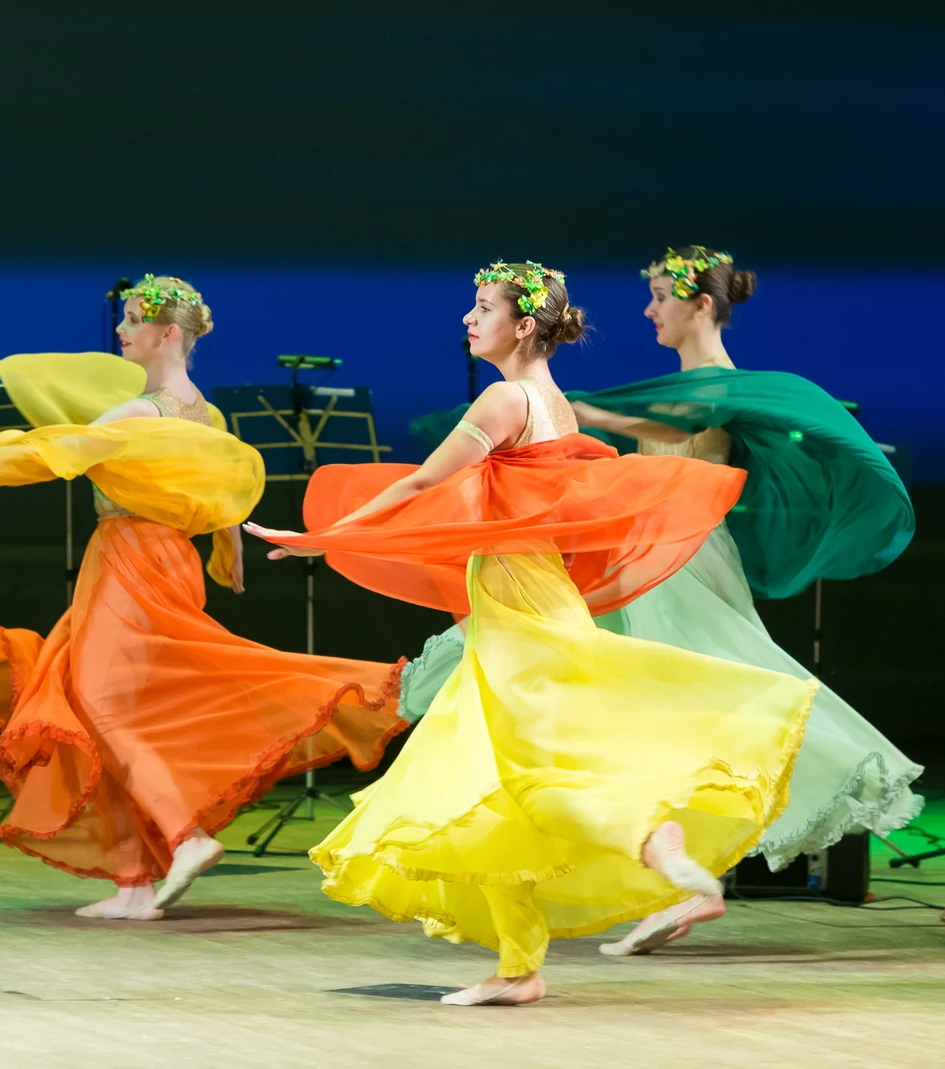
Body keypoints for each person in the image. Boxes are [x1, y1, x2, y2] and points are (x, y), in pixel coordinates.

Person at [246, 261, 816, 1006]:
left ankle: (652, 842)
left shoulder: (505, 397)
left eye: (482, 307)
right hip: (530, 595)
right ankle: (518, 967)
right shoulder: (553, 404)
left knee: (524, 773)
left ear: (521, 326)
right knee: (494, 782)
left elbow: (421, 482)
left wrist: (323, 537)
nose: (467, 318)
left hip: (517, 603)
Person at [0, 275, 406, 920]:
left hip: (127, 558)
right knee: (104, 707)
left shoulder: (139, 414)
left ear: (168, 334)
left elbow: (43, 453)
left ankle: (185, 836)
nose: (121, 330)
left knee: (104, 709)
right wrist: (226, 555)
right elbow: (218, 494)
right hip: (169, 560)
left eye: (133, 320)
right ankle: (133, 883)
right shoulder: (204, 414)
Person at [565, 246, 921, 954]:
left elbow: (677, 434)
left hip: (683, 561)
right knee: (662, 715)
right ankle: (680, 882)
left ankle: (694, 874)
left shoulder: (720, 388)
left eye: (661, 296)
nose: (648, 309)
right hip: (653, 556)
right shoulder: (683, 388)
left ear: (701, 305)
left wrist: (583, 411)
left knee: (701, 700)